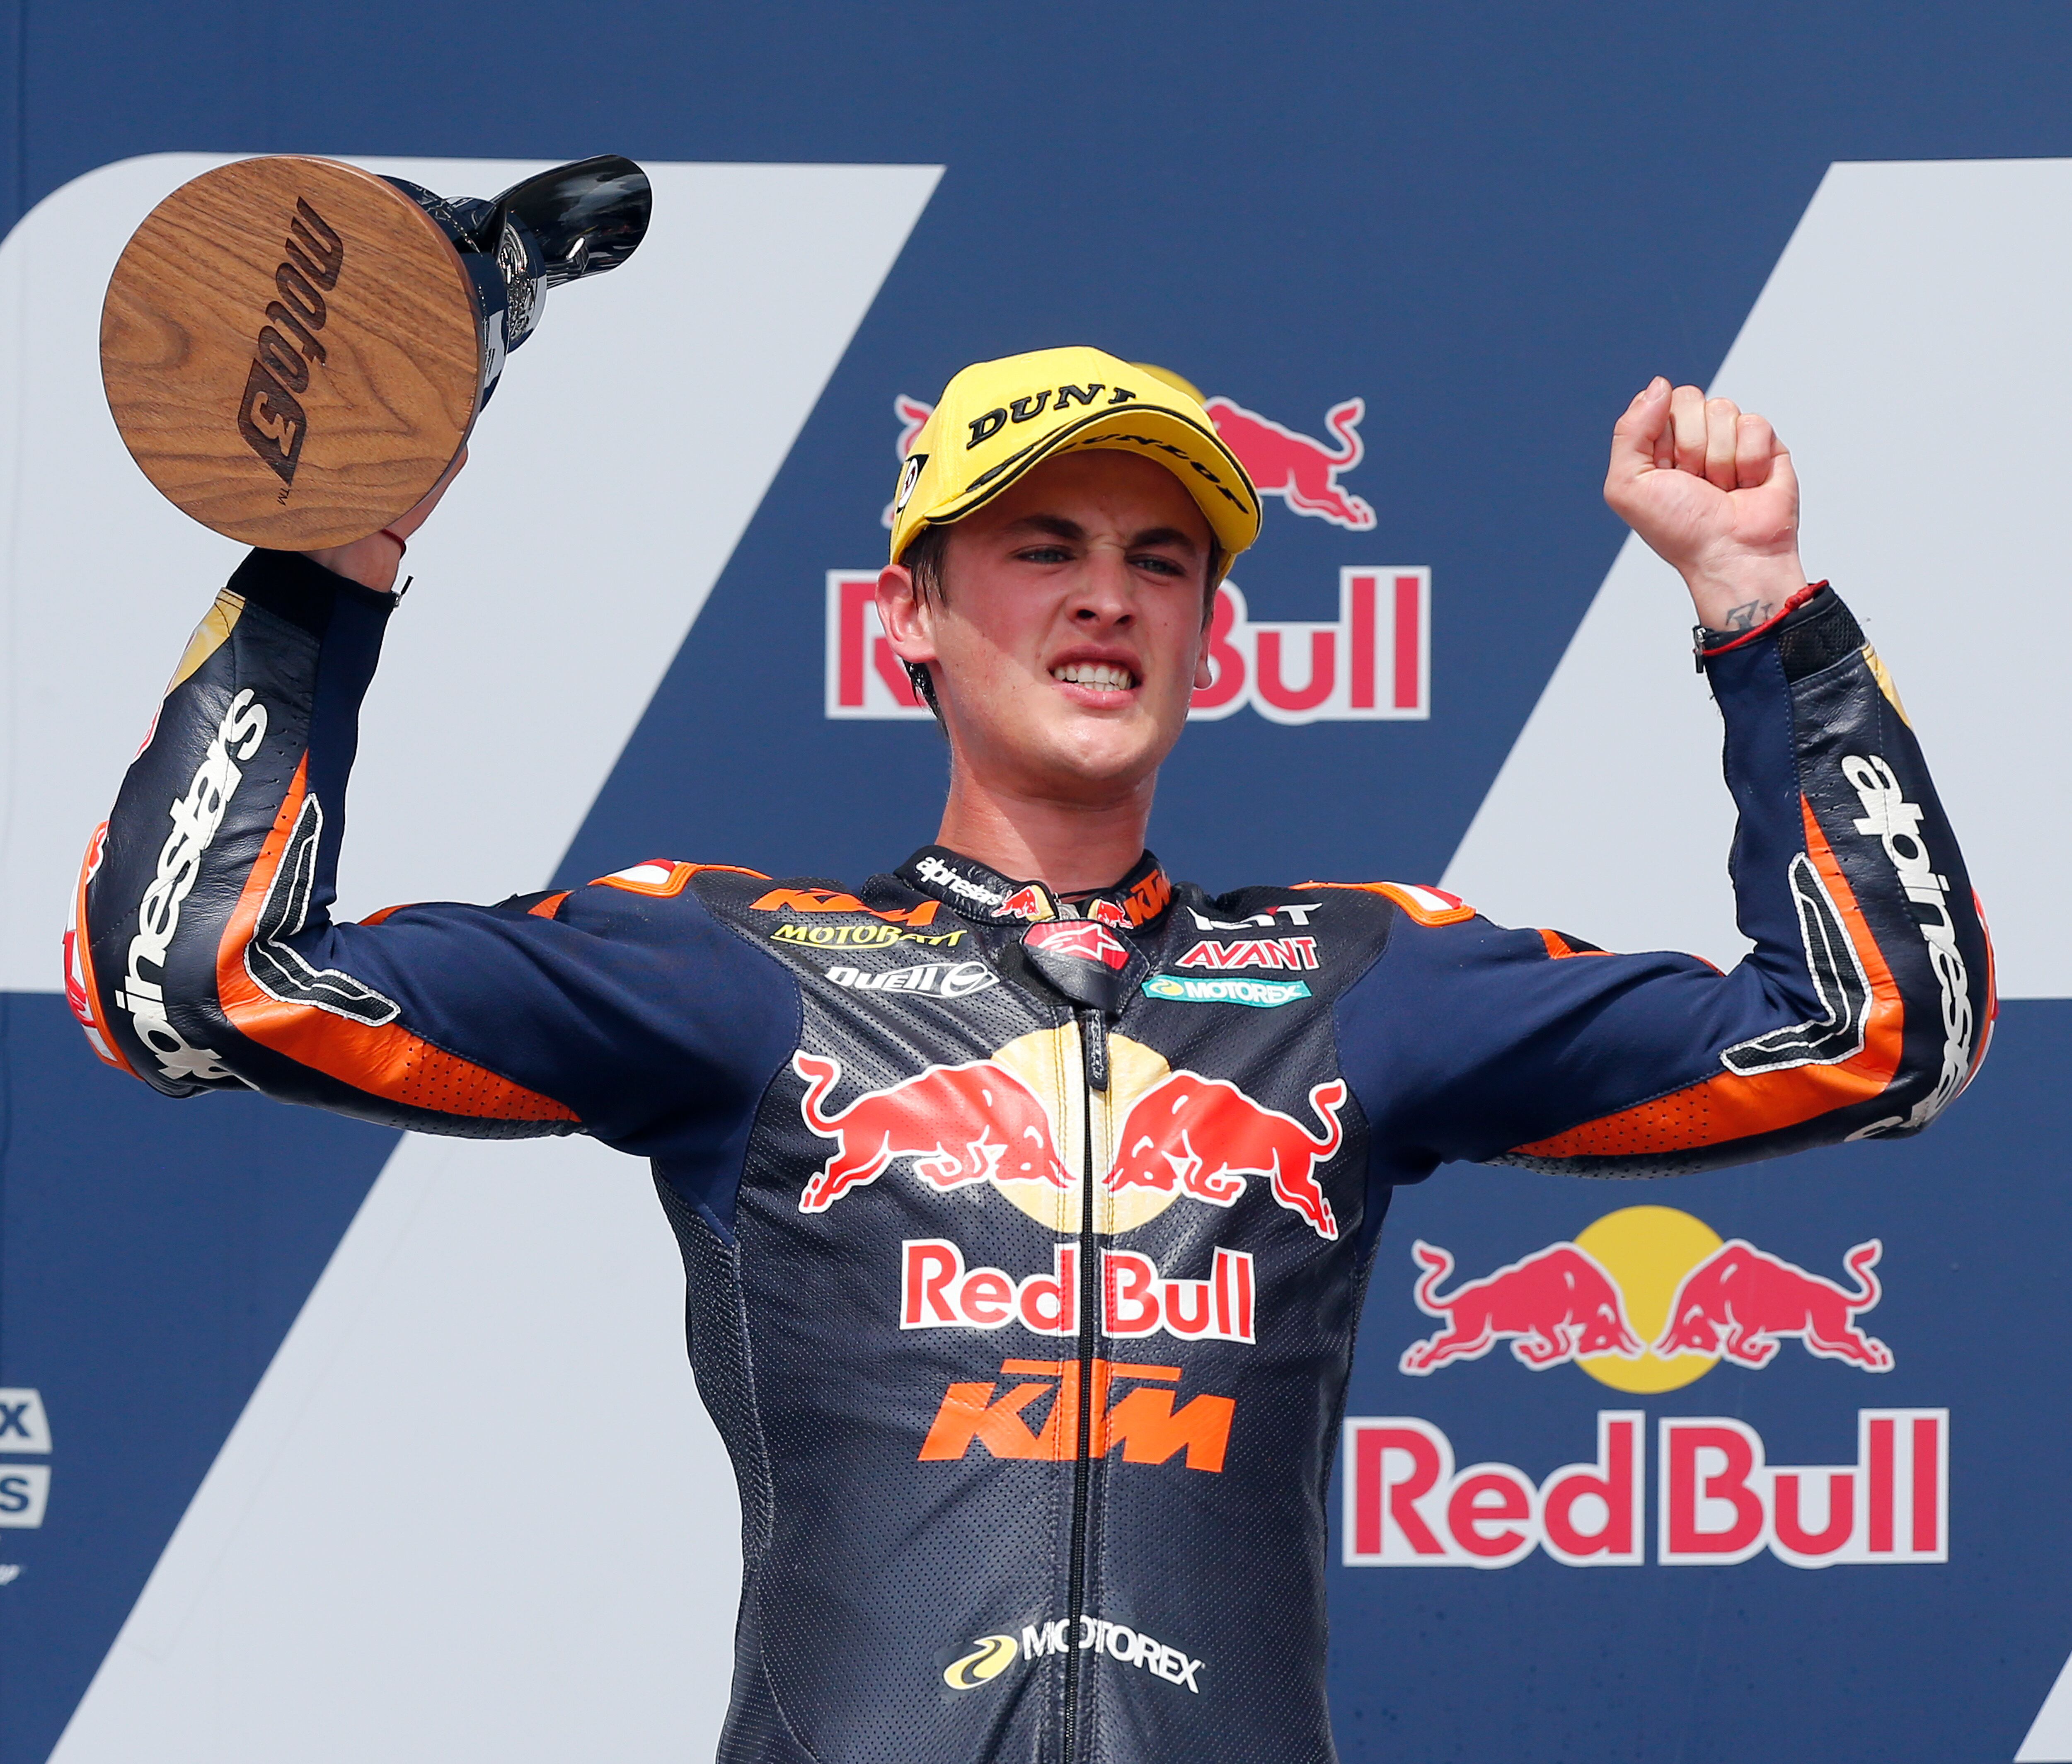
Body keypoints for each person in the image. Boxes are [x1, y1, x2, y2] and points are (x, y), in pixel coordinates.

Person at [68, 344, 1990, 1763]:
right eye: (1039, 545)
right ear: (908, 611)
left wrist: (1758, 607)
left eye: (1163, 561)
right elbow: (192, 987)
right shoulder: (738, 969)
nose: (1103, 594)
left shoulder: (1360, 977)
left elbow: (1876, 1033)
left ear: (1209, 636)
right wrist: (326, 569)